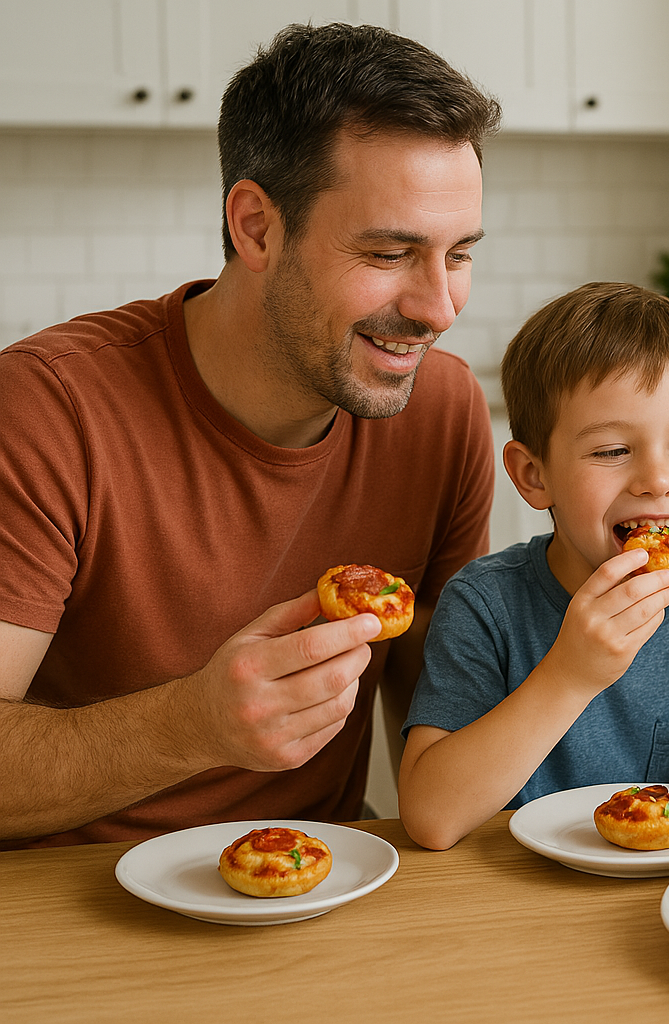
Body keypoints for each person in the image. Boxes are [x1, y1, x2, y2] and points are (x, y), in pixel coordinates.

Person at [0, 23, 502, 848]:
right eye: (388, 251)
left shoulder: (440, 412)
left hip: (325, 880)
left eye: (460, 255)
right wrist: (188, 726)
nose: (438, 309)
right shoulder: (48, 410)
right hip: (74, 905)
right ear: (257, 227)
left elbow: (441, 737)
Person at [396, 282, 669, 851]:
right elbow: (431, 817)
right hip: (515, 897)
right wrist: (571, 674)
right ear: (535, 475)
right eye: (612, 451)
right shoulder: (484, 604)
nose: (657, 480)